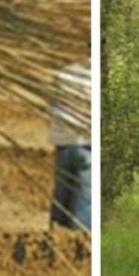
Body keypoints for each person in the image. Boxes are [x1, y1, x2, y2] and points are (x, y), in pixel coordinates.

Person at [48, 59, 91, 231]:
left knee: (62, 195)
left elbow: (52, 108)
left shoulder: (64, 73)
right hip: (88, 146)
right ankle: (79, 246)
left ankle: (55, 237)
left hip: (64, 144)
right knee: (86, 200)